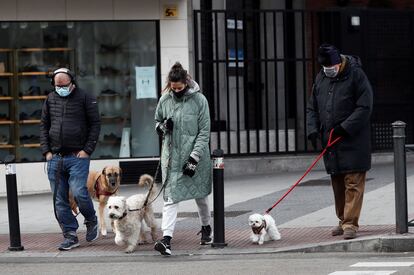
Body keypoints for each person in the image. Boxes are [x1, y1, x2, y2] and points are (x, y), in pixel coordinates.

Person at [306, 44, 373, 240]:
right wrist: (312, 130)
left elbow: (364, 106)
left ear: (339, 63)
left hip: (353, 140)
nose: (328, 72)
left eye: (331, 68)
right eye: (325, 69)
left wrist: (345, 127)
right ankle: (343, 219)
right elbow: (312, 107)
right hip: (331, 142)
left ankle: (350, 223)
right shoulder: (321, 78)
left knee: (353, 182)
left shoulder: (356, 75)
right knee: (337, 182)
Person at [153, 62, 212, 256]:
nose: (176, 91)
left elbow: (204, 131)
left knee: (200, 196)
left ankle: (206, 228)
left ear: (186, 83)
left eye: (179, 88)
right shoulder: (165, 99)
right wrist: (163, 127)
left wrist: (194, 158)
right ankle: (166, 239)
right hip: (172, 158)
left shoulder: (200, 100)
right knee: (170, 198)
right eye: (173, 88)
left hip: (195, 156)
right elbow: (157, 122)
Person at [40, 68, 101, 250]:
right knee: (59, 199)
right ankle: (70, 235)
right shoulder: (50, 99)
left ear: (72, 82)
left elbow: (95, 124)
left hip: (78, 156)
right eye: (57, 86)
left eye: (64, 85)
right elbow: (44, 125)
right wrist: (46, 152)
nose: (60, 89)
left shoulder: (85, 97)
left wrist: (87, 150)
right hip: (55, 158)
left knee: (80, 192)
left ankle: (91, 220)